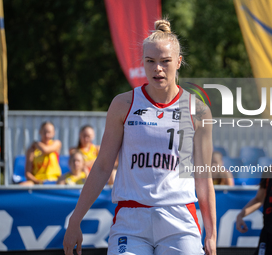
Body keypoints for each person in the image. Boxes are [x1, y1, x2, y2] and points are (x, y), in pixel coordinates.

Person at [63, 19, 217, 255]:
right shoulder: (123, 104)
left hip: (179, 219)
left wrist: (212, 234)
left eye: (165, 61)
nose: (158, 68)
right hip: (131, 220)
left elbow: (203, 178)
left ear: (178, 62)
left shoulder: (199, 111)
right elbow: (103, 166)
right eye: (150, 61)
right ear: (143, 63)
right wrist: (75, 220)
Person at [20, 121, 62, 185]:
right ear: (40, 132)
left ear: (53, 133)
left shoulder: (56, 143)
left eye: (49, 132)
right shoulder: (32, 150)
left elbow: (45, 150)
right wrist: (37, 181)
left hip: (54, 180)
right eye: (44, 132)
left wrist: (36, 143)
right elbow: (28, 173)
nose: (47, 135)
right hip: (37, 181)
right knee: (22, 186)